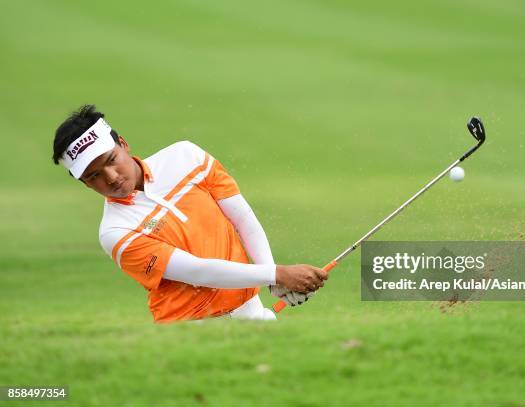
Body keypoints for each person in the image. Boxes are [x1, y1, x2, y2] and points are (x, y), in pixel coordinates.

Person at [52, 105, 327, 322]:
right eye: (94, 176)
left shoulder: (186, 157)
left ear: (123, 144)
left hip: (250, 309)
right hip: (188, 329)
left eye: (111, 160)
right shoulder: (115, 232)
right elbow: (198, 272)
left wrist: (275, 283)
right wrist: (275, 274)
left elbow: (243, 219)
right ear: (84, 182)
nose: (110, 177)